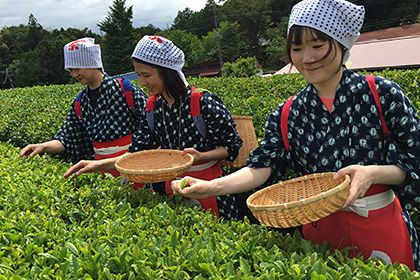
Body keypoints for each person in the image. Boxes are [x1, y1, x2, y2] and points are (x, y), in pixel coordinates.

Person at [171, 0, 420, 270]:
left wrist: (372, 173)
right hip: (319, 232)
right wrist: (210, 187)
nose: (306, 58)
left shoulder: (381, 94)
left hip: (380, 223)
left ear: (341, 43)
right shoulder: (289, 112)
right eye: (297, 48)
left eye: (317, 45)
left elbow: (413, 160)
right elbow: (262, 167)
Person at [64, 35, 243, 219]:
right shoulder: (153, 107)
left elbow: (232, 146)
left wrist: (202, 156)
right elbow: (135, 154)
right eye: (139, 75)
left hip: (211, 189)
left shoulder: (203, 102)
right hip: (172, 190)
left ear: (167, 72)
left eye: (147, 75)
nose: (142, 82)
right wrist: (97, 164)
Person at [20, 38, 147, 179]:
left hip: (133, 161)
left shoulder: (125, 89)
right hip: (101, 168)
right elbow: (66, 137)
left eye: (77, 68)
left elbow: (150, 127)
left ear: (92, 63)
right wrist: (43, 146)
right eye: (70, 70)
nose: (74, 74)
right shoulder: (80, 101)